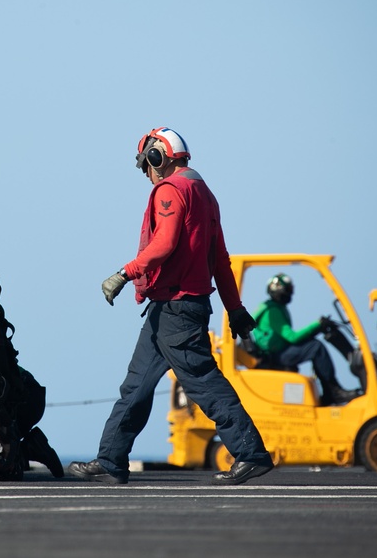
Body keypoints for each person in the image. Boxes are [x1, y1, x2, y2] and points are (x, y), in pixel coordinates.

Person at [69, 127, 274, 486]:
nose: (146, 175)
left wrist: (124, 273)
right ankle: (111, 460)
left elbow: (163, 243)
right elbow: (219, 260)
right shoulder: (204, 193)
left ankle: (251, 453)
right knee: (136, 386)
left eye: (145, 166)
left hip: (178, 310)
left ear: (156, 158)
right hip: (171, 309)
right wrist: (235, 309)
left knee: (203, 382)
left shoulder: (171, 190)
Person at [250, 274, 358, 406]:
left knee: (313, 345)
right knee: (315, 347)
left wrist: (317, 329)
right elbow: (292, 337)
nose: (290, 295)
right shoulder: (272, 311)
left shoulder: (273, 308)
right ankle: (333, 391)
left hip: (278, 352)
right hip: (277, 356)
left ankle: (330, 392)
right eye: (287, 291)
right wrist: (317, 324)